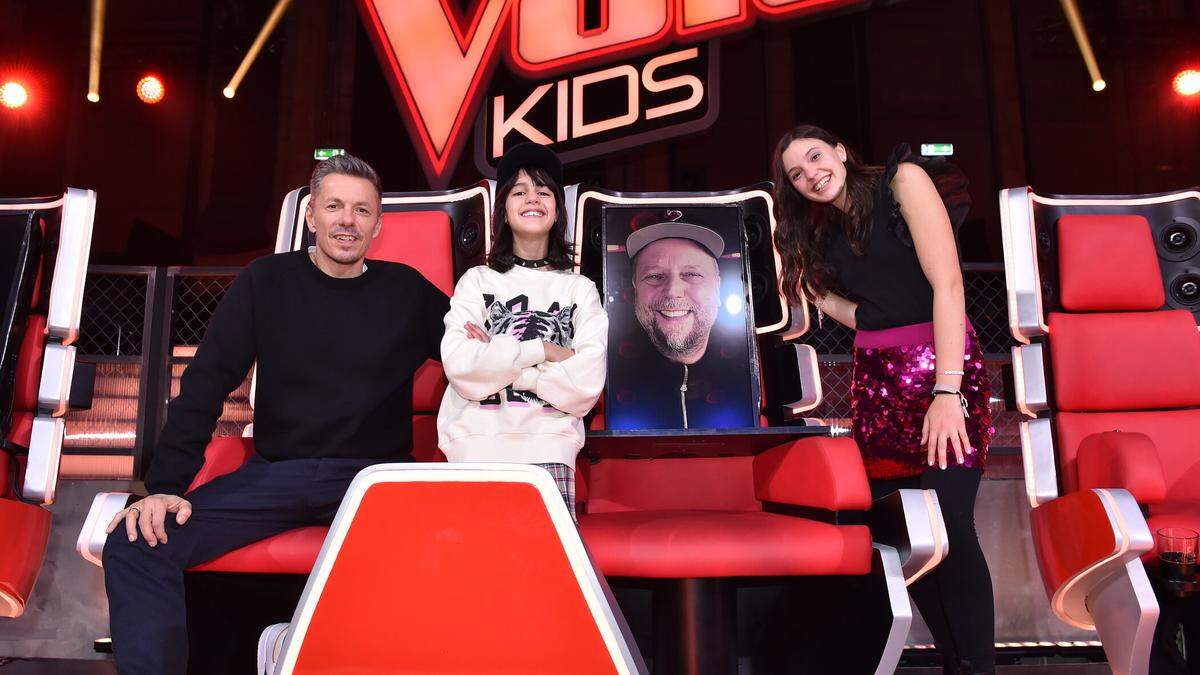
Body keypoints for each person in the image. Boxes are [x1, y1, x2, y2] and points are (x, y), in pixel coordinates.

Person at [101, 154, 449, 674]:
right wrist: (166, 485)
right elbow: (207, 381)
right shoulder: (266, 281)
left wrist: (546, 358)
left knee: (459, 550)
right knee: (135, 544)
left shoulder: (408, 291)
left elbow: (478, 364)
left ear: (378, 225)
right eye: (334, 206)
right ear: (312, 215)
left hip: (372, 482)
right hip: (275, 477)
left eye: (361, 210)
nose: (347, 221)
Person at [771, 124, 995, 674]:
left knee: (950, 527)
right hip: (878, 381)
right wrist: (840, 307)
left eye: (816, 158)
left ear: (842, 151)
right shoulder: (816, 230)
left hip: (941, 370)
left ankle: (979, 668)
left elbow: (948, 286)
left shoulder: (904, 180)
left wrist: (948, 389)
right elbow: (854, 308)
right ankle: (957, 664)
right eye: (796, 174)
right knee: (907, 534)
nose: (810, 175)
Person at [437, 143, 607, 519]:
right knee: (468, 575)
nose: (533, 199)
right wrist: (546, 351)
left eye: (544, 191)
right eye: (519, 191)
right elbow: (461, 368)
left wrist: (501, 356)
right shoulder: (475, 282)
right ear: (503, 210)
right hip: (472, 454)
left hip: (549, 455)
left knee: (546, 577)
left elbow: (586, 386)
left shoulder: (580, 289)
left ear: (558, 209)